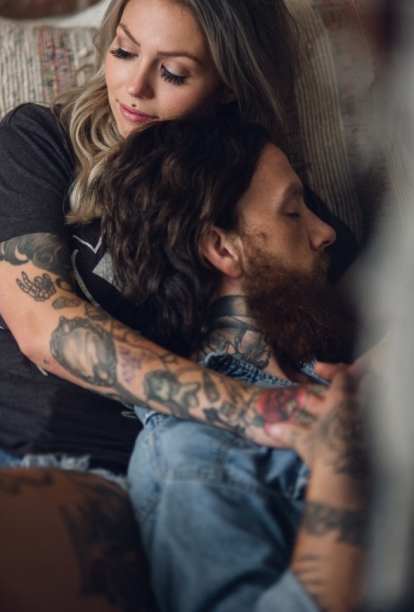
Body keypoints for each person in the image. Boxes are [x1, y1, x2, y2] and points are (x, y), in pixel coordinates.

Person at [0, 0, 357, 609]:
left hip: (76, 472)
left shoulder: (265, 194)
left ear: (230, 85)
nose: (132, 86)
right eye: (125, 50)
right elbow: (43, 325)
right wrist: (256, 411)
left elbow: (367, 317)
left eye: (176, 71)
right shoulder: (41, 141)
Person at [94, 117, 367, 612]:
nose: (326, 231)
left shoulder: (340, 363)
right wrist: (337, 472)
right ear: (222, 247)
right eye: (292, 212)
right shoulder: (189, 454)